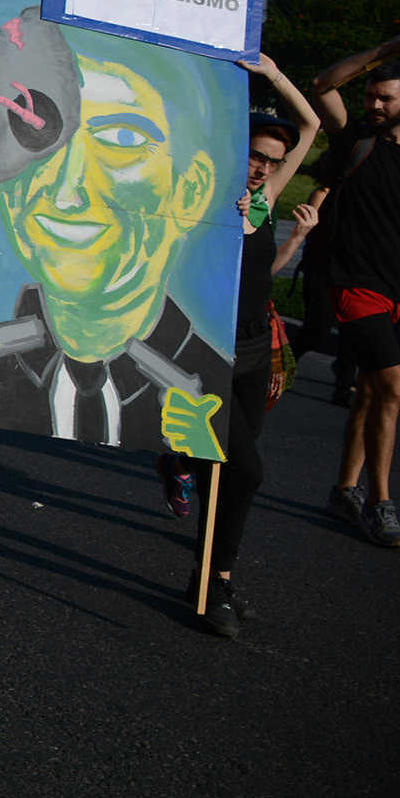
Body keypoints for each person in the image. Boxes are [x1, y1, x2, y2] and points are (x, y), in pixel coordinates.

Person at [0, 7, 233, 457]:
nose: (67, 191)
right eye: (38, 134)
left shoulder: (205, 388)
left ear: (191, 191)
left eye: (122, 139)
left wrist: (202, 457)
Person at [159, 57, 320, 636]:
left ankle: (215, 579)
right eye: (255, 156)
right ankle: (210, 583)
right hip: (208, 354)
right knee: (242, 473)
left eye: (273, 162)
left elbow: (312, 125)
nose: (263, 168)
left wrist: (275, 73)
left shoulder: (265, 201)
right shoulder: (201, 198)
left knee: (229, 475)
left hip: (256, 351)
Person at [311, 36, 400, 547]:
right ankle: (379, 503)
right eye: (371, 96)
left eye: (385, 98)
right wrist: (388, 48)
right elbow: (323, 85)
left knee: (372, 392)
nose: (374, 105)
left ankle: (343, 490)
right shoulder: (355, 138)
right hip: (356, 284)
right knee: (393, 387)